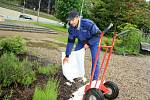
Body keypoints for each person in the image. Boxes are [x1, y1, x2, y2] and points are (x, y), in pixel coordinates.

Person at [63, 10, 102, 80]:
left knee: (95, 59)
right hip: (82, 42)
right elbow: (70, 42)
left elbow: (98, 34)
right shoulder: (71, 28)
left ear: (78, 18)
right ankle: (76, 75)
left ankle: (94, 79)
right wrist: (67, 55)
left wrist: (89, 43)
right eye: (69, 20)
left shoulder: (88, 23)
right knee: (76, 55)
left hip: (94, 41)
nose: (71, 22)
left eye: (72, 20)